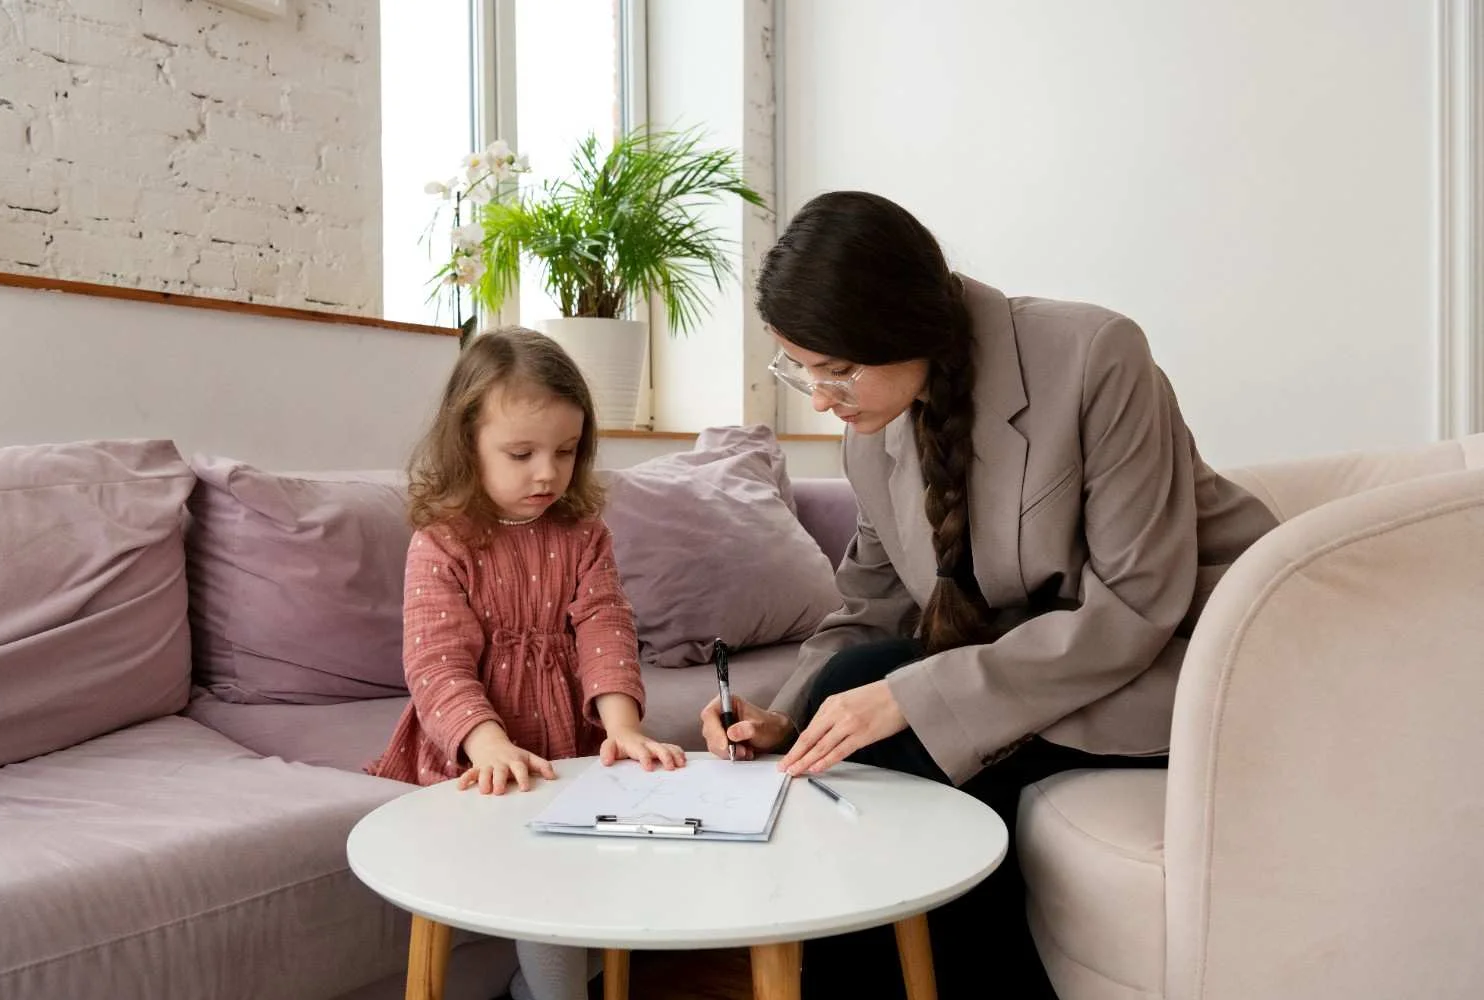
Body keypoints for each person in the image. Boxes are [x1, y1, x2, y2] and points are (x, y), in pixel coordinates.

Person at [699, 191, 1278, 997]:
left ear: (907, 327)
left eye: (837, 371)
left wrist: (912, 697)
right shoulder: (876, 436)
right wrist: (781, 717)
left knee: (890, 736)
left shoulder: (1095, 356)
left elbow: (1136, 606)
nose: (822, 398)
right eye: (800, 368)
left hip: (1186, 655)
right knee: (843, 687)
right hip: (1035, 667)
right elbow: (866, 608)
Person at [369, 326, 685, 1000]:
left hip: (568, 743)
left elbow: (605, 627)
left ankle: (557, 974)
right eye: (521, 453)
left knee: (629, 855)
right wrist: (488, 747)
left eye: (566, 452)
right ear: (467, 446)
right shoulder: (442, 542)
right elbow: (437, 664)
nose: (548, 472)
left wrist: (623, 726)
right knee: (543, 878)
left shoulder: (582, 534)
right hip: (476, 757)